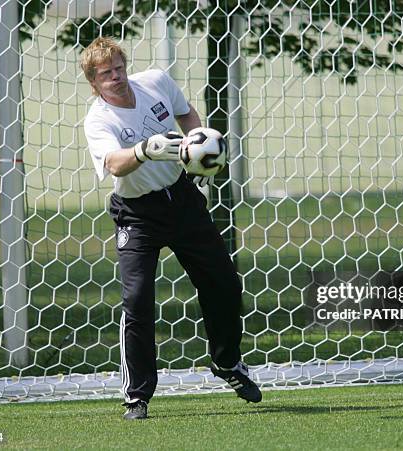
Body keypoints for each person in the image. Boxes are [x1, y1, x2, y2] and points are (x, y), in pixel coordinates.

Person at [80, 37, 261, 420]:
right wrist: (146, 149)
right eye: (106, 74)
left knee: (224, 283)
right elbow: (113, 163)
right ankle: (137, 396)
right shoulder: (99, 119)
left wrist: (199, 153)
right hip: (137, 214)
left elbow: (188, 115)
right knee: (138, 299)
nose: (116, 77)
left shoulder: (156, 81)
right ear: (93, 83)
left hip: (183, 200)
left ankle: (227, 364)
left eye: (119, 68)